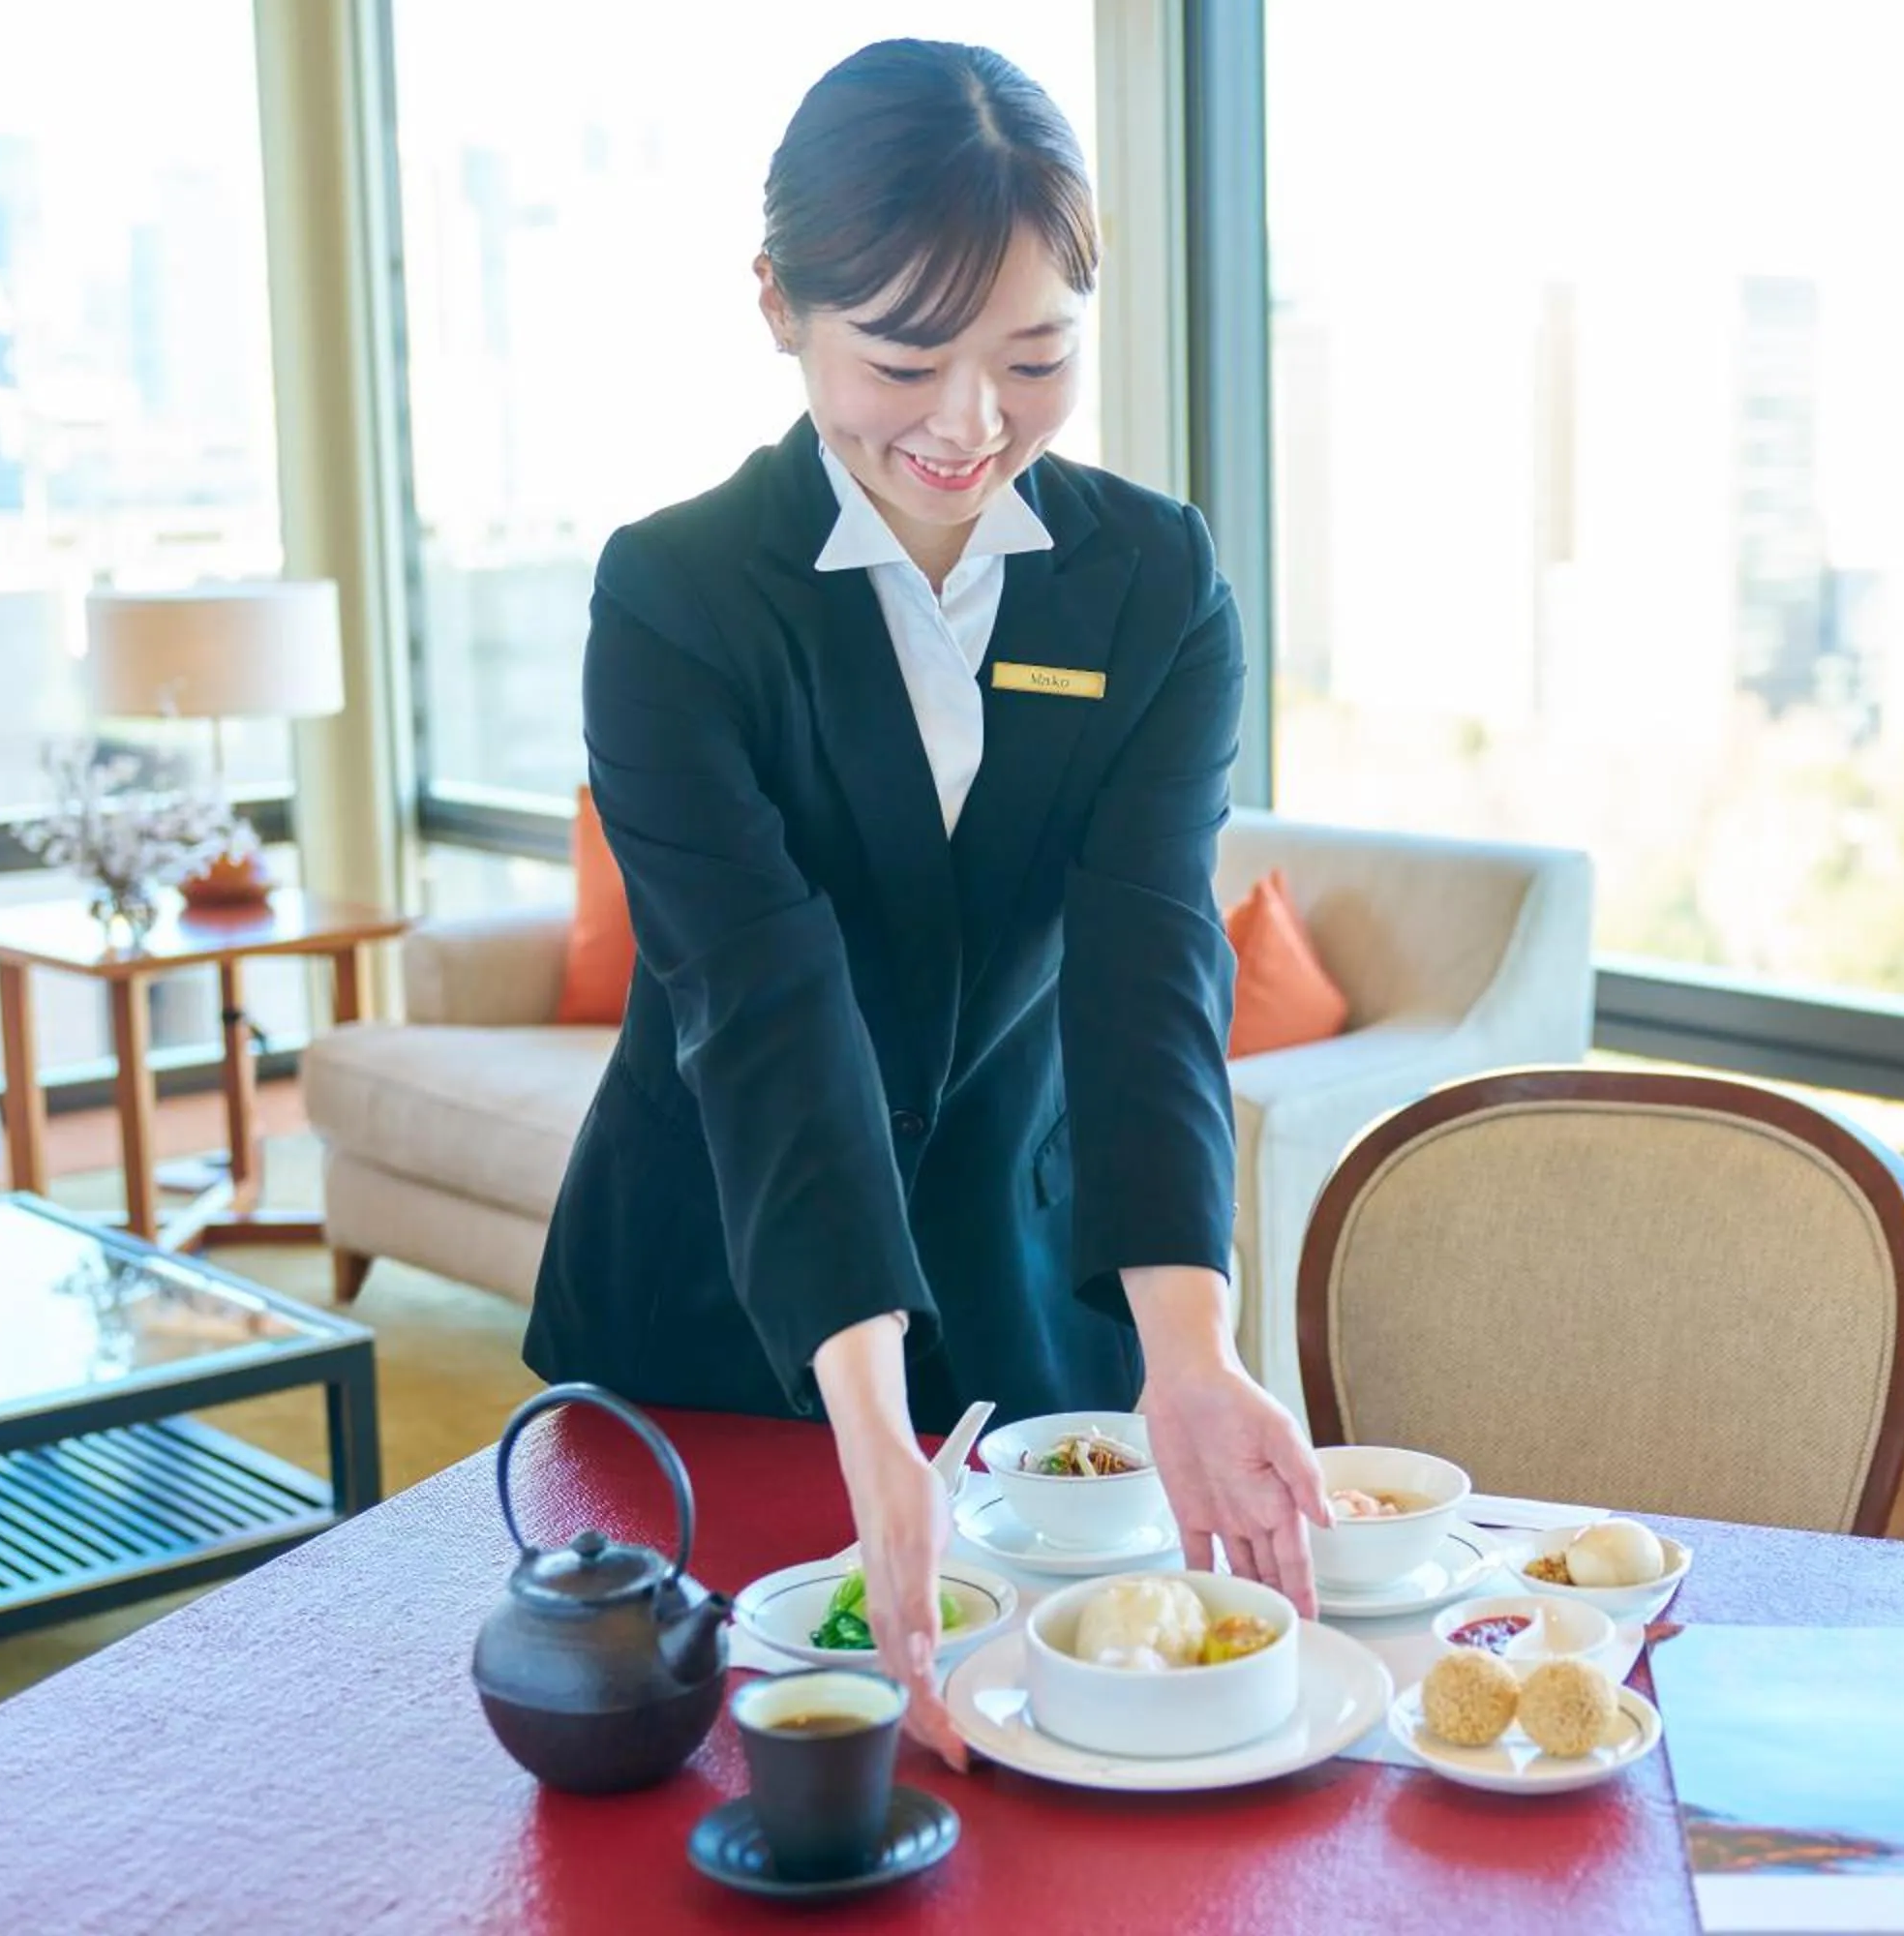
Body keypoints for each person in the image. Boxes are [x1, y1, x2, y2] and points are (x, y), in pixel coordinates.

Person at [521, 39, 1328, 1766]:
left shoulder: (1152, 583)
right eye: (903, 360)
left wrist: (1188, 1346)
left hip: (1022, 1286)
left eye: (1035, 359)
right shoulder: (671, 600)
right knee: (708, 1789)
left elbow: (1147, 970)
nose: (970, 426)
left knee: (1054, 1778)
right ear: (777, 308)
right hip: (715, 1303)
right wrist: (872, 1433)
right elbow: (761, 995)